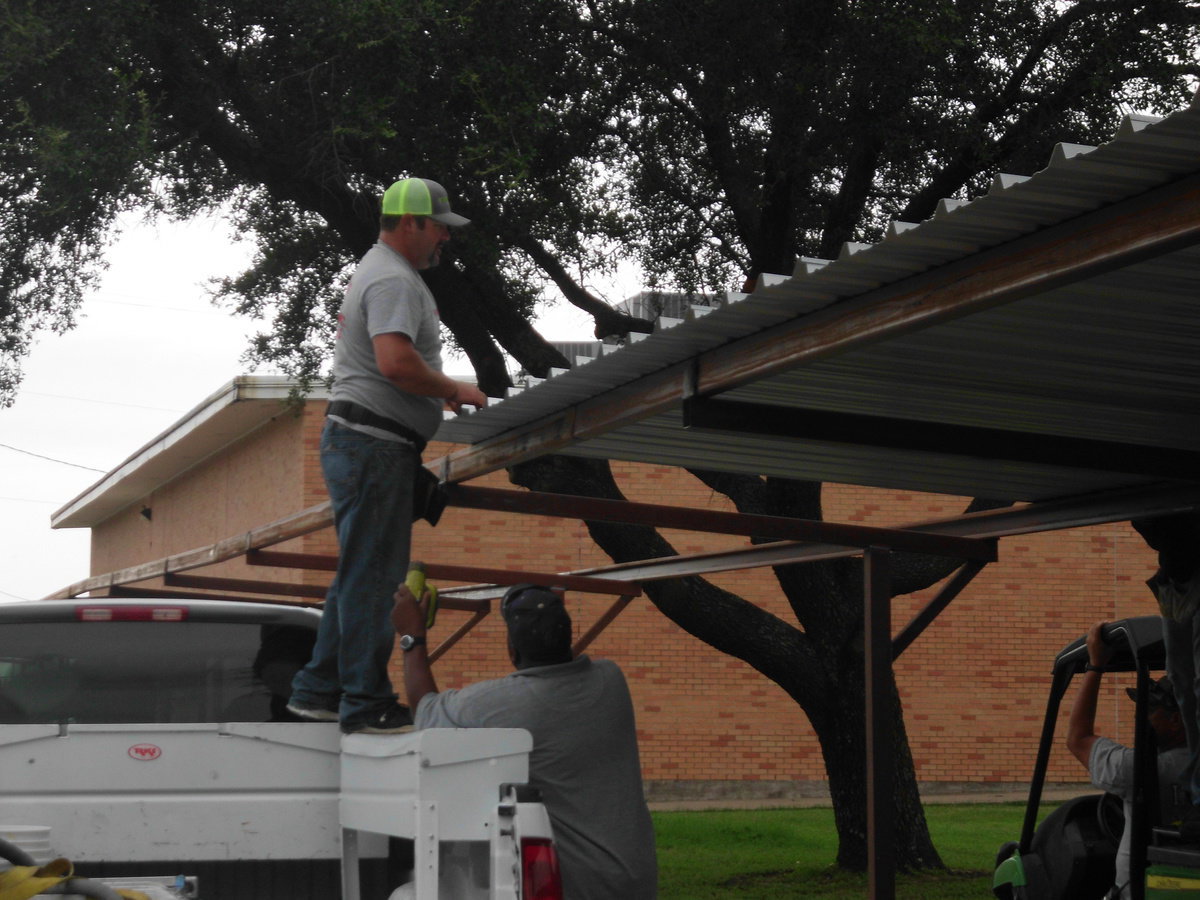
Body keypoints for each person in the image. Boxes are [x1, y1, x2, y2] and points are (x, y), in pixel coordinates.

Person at [287, 177, 487, 735]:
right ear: (411, 223)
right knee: (374, 579)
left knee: (359, 575)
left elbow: (394, 367)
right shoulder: (394, 279)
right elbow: (395, 363)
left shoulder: (381, 271)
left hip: (367, 442)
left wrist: (435, 395)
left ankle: (319, 690)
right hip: (373, 445)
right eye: (439, 227)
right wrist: (453, 387)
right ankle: (365, 702)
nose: (445, 238)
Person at [390, 582, 658, 899]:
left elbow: (425, 711)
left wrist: (412, 637)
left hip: (579, 889)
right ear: (567, 636)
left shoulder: (501, 702)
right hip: (635, 883)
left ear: (512, 650)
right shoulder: (611, 680)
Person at [1066, 621, 1190, 899]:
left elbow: (1078, 739)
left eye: (1152, 710)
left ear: (1176, 720)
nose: (1142, 718)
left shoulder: (1142, 768)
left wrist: (1095, 665)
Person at [1131, 513, 1200, 808]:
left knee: (1191, 682)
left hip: (1186, 580)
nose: (1147, 719)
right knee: (1181, 679)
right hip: (1176, 584)